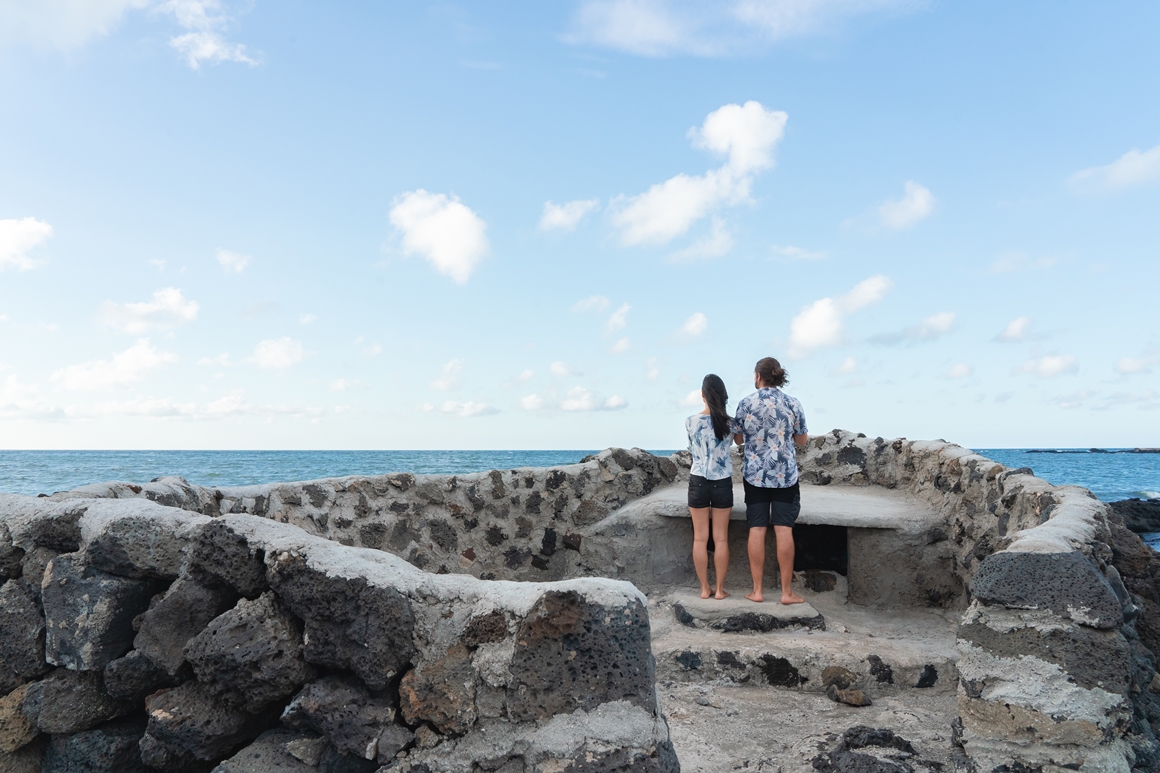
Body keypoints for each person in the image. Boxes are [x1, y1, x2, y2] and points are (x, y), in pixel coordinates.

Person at [732, 357, 809, 604]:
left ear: (758, 375)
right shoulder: (792, 403)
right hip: (785, 475)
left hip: (755, 475)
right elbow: (802, 440)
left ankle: (757, 591)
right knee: (784, 529)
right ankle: (787, 593)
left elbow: (738, 440)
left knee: (757, 528)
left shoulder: (746, 403)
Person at [686, 374, 735, 600]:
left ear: (703, 395)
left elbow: (692, 450)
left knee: (700, 538)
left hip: (698, 481)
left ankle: (705, 588)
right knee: (721, 538)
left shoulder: (690, 421)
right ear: (723, 395)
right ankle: (720, 589)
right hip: (722, 482)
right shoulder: (730, 423)